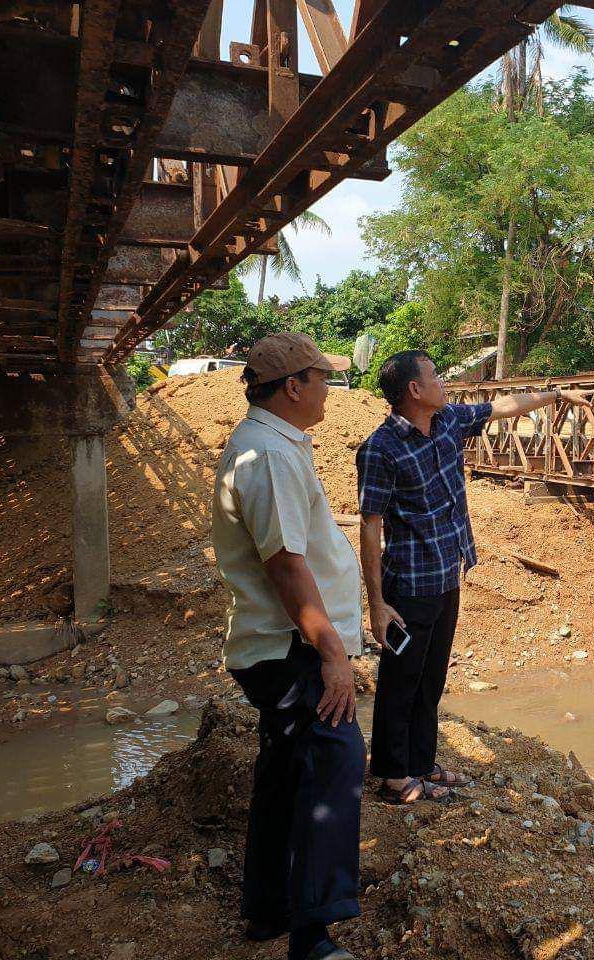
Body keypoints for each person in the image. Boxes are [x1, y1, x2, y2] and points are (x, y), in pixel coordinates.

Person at [356, 350, 592, 803]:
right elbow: (371, 527)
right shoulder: (380, 450)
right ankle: (392, 775)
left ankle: (422, 763)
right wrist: (377, 601)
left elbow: (503, 406)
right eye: (435, 377)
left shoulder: (447, 422)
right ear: (414, 390)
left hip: (448, 575)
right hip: (409, 585)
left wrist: (555, 393)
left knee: (431, 679)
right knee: (401, 681)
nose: (444, 383)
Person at [211, 332, 365, 960]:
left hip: (279, 646)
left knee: (284, 773)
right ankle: (313, 939)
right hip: (291, 650)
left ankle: (267, 910)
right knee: (335, 765)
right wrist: (332, 654)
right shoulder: (267, 455)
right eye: (322, 377)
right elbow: (285, 565)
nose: (330, 387)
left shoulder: (272, 445)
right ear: (293, 386)